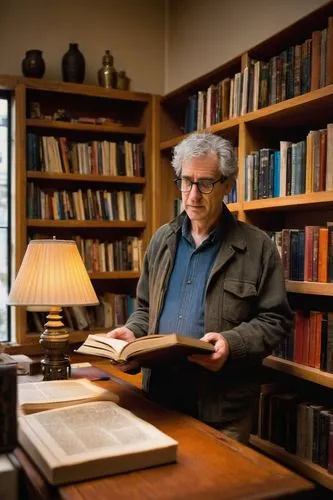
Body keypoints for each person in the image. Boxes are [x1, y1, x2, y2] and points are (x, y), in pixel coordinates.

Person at [108, 132, 292, 443]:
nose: (193, 195)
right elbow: (145, 309)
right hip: (158, 401)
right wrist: (132, 333)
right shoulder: (160, 241)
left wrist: (231, 343)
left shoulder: (258, 247)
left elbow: (276, 320)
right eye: (186, 181)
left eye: (205, 184)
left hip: (223, 409)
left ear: (227, 186)